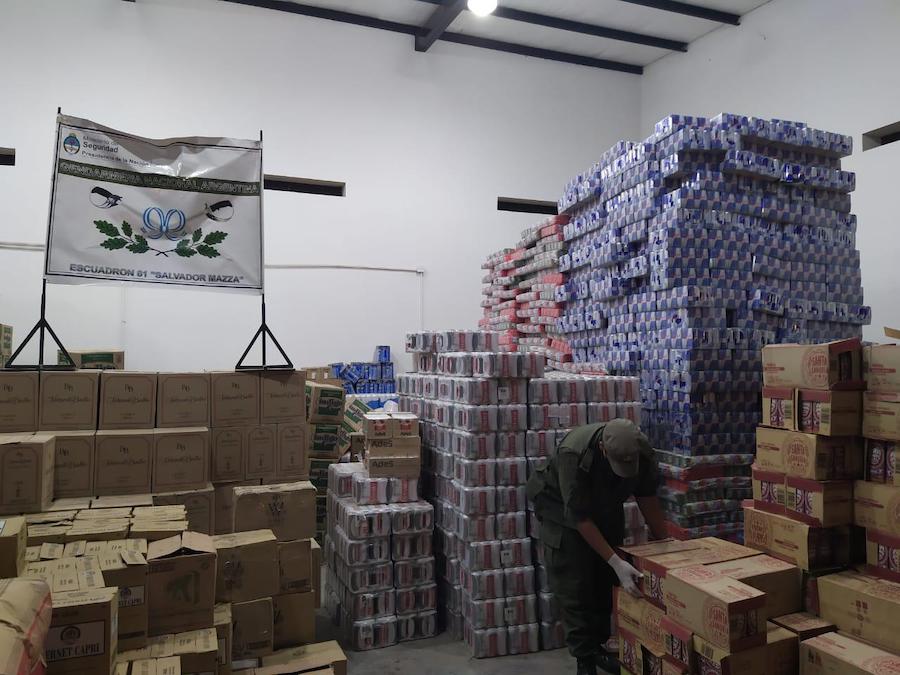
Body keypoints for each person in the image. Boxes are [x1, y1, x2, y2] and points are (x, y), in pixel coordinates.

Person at [526, 418, 667, 675]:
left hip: (605, 505)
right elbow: (579, 516)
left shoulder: (641, 450)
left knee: (605, 579)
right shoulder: (574, 454)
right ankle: (584, 658)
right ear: (603, 449)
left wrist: (667, 545)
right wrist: (616, 561)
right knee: (574, 583)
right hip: (561, 511)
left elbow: (647, 496)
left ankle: (597, 646)